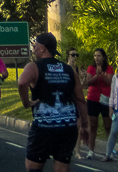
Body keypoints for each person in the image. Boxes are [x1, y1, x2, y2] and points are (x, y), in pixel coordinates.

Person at [17, 33, 89, 172]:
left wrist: (26, 103)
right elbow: (80, 99)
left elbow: (22, 82)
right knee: (62, 168)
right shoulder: (68, 69)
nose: (33, 48)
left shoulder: (34, 67)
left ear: (42, 48)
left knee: (33, 167)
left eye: (35, 45)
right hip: (68, 127)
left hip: (44, 127)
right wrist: (85, 125)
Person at [83, 48, 114, 159]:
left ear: (103, 57)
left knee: (108, 125)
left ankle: (110, 151)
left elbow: (109, 81)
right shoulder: (91, 68)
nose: (96, 58)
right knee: (93, 126)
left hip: (105, 99)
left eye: (99, 56)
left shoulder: (109, 68)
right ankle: (91, 151)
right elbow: (88, 82)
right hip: (92, 99)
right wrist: (96, 75)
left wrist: (102, 74)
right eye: (95, 56)